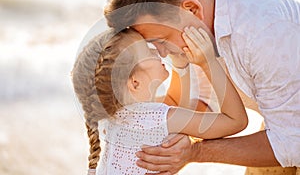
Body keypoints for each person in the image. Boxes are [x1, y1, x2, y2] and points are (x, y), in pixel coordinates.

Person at [104, 0, 300, 174]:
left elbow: (293, 145)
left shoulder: (264, 32)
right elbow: (194, 108)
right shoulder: (194, 32)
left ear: (191, 9)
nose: (161, 53)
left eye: (161, 41)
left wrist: (195, 152)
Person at [71, 28, 247, 174]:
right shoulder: (159, 118)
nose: (157, 51)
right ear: (134, 82)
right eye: (147, 51)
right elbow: (235, 121)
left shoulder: (111, 119)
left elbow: (172, 104)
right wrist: (209, 62)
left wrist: (180, 65)